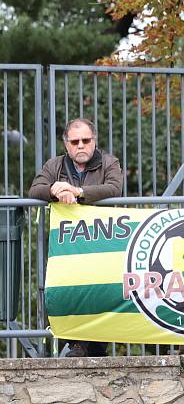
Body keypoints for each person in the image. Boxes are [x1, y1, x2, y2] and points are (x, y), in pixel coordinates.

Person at [28, 118, 123, 357]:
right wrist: (55, 190)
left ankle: (96, 349)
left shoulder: (109, 162)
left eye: (86, 140)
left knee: (98, 292)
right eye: (75, 141)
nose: (81, 145)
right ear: (67, 145)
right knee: (68, 290)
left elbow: (114, 188)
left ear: (94, 141)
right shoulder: (55, 165)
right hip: (67, 244)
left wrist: (77, 192)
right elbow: (34, 189)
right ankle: (76, 344)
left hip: (101, 241)